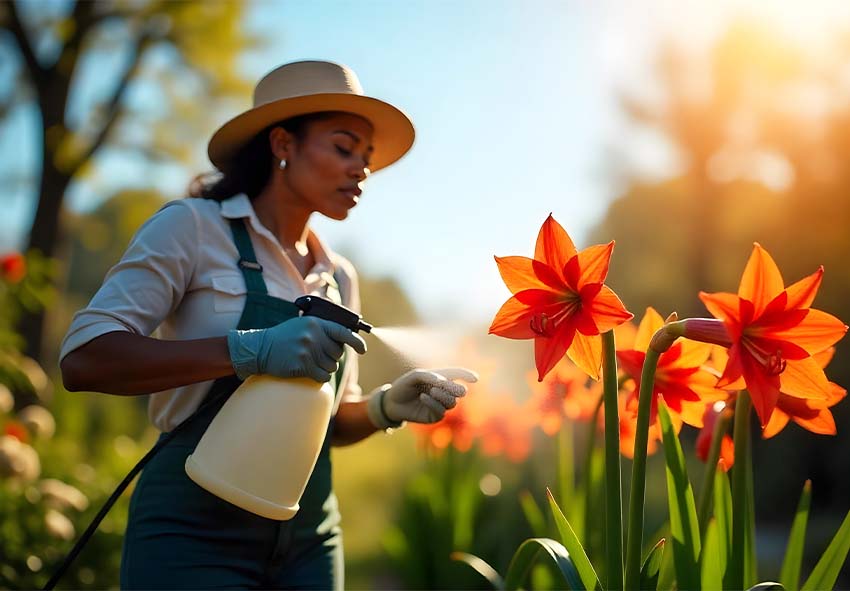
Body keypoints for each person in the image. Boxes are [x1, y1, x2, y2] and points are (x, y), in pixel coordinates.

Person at [59, 60, 476, 590]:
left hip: (311, 542)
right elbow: (85, 358)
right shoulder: (192, 228)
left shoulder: (339, 277)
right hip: (191, 536)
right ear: (283, 144)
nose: (361, 170)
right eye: (344, 147)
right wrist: (248, 350)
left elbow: (324, 423)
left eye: (366, 158)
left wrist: (384, 407)